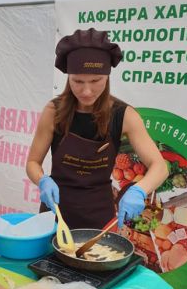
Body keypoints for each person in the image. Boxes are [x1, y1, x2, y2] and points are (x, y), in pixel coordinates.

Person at [26, 28, 168, 230]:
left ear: (107, 77)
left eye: (95, 81)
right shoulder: (53, 111)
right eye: (78, 81)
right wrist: (42, 181)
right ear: (68, 78)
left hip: (100, 217)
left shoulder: (125, 116)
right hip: (54, 213)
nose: (86, 91)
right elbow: (33, 162)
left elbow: (159, 166)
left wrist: (139, 190)